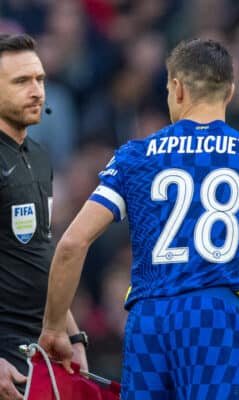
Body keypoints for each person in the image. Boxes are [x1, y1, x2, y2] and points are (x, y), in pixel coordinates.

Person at [38, 38, 239, 400]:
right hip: (215, 319)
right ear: (230, 92)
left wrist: (55, 326)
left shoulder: (135, 156)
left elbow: (72, 244)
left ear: (177, 87)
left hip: (148, 323)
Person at [0, 33, 87, 400]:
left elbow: (40, 253)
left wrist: (74, 335)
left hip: (38, 348)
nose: (37, 91)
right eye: (21, 81)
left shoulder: (38, 156)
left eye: (39, 79)